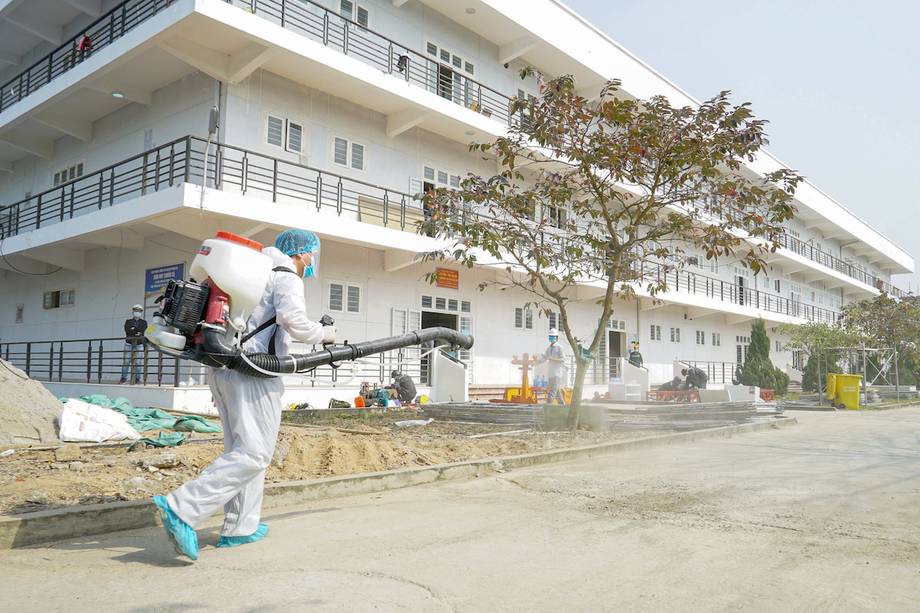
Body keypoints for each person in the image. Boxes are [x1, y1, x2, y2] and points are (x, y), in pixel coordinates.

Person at [152, 229, 335, 561]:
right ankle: (182, 507)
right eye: (311, 256)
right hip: (253, 375)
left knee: (243, 450)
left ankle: (241, 527)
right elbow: (293, 321)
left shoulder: (255, 271)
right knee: (253, 453)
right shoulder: (286, 276)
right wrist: (325, 333)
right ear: (301, 254)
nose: (311, 263)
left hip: (222, 368)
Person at [120, 305, 146, 384]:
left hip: (139, 344)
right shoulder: (128, 321)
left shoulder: (144, 322)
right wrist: (137, 332)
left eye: (139, 311)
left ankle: (137, 379)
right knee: (126, 361)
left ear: (141, 312)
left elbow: (143, 331)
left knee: (138, 362)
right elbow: (127, 331)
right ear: (133, 311)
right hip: (129, 343)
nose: (137, 312)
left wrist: (133, 329)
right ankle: (123, 378)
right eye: (135, 310)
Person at [538, 328, 566, 405]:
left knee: (552, 392)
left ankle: (547, 407)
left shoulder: (559, 347)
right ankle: (562, 405)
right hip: (551, 374)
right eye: (550, 336)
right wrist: (536, 362)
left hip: (557, 374)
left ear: (557, 338)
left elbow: (563, 359)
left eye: (553, 336)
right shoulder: (549, 347)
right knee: (557, 393)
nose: (551, 338)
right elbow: (544, 357)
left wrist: (552, 359)